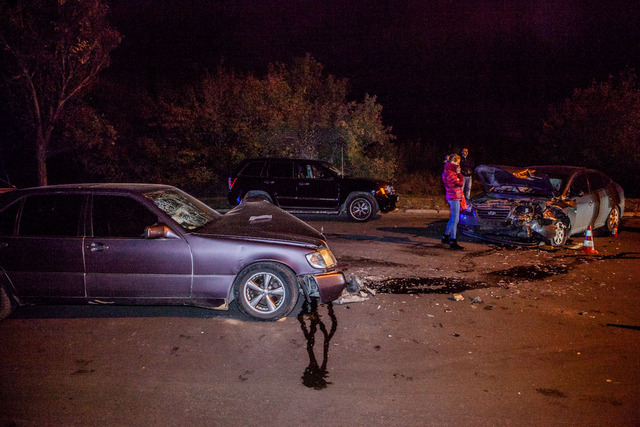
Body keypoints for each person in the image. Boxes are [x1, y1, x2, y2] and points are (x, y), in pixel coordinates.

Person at [441, 153, 464, 250]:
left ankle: (446, 236)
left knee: (452, 218)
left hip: (452, 195)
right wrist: (459, 174)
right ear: (453, 162)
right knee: (455, 219)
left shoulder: (448, 171)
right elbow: (460, 183)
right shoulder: (450, 173)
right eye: (458, 162)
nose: (458, 165)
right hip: (454, 196)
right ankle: (453, 241)